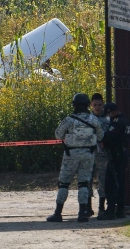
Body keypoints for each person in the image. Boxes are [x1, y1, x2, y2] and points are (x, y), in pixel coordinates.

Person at [47, 92, 105, 223]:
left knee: (64, 183)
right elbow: (101, 137)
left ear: (74, 105)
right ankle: (82, 213)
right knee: (84, 183)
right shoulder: (94, 120)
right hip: (88, 155)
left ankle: (58, 213)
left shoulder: (69, 120)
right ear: (87, 105)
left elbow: (58, 135)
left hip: (70, 155)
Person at [98, 102, 130, 220]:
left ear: (111, 112)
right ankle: (120, 210)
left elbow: (109, 136)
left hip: (116, 155)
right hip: (122, 153)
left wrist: (102, 140)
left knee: (111, 183)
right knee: (120, 182)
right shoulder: (125, 120)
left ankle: (111, 210)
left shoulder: (117, 122)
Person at [89, 92, 110, 216]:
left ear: (103, 105)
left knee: (102, 180)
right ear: (91, 105)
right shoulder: (87, 119)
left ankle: (101, 207)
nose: (97, 107)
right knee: (87, 180)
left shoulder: (107, 120)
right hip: (89, 153)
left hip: (102, 154)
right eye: (95, 105)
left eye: (99, 105)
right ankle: (87, 207)